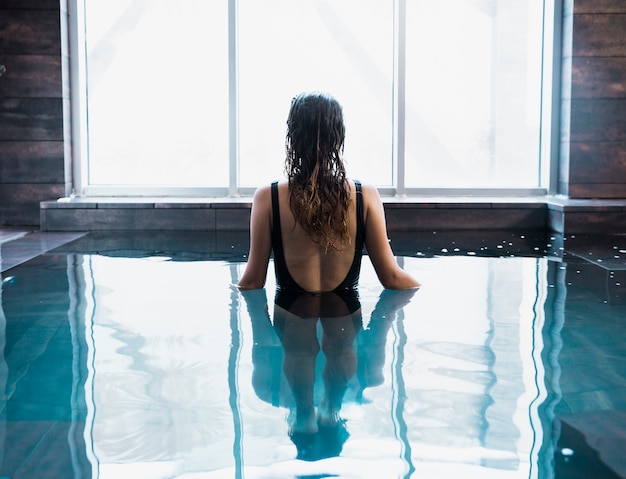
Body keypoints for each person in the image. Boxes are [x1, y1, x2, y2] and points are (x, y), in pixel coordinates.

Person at [237, 91, 420, 292]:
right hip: (347, 321)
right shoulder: (364, 196)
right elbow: (393, 278)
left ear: (293, 136)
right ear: (338, 137)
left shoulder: (268, 198)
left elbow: (252, 282)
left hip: (290, 322)